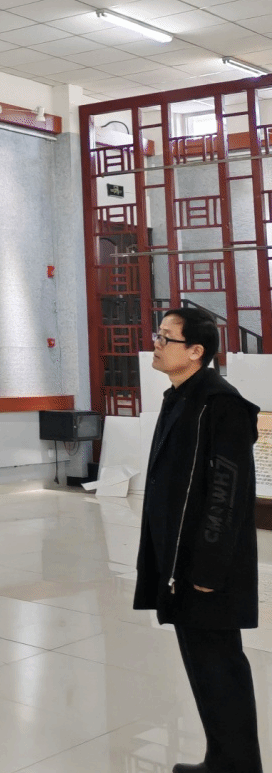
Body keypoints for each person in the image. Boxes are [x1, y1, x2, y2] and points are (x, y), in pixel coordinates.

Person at [134, 307, 263, 773]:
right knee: (204, 667)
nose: (156, 344)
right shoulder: (182, 397)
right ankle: (223, 760)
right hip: (180, 564)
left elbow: (227, 494)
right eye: (157, 335)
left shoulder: (220, 405)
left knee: (220, 668)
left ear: (195, 351)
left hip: (207, 567)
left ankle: (239, 765)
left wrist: (208, 569)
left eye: (165, 337)